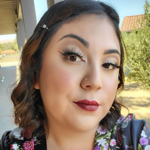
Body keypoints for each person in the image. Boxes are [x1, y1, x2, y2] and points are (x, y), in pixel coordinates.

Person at [0, 0, 150, 150]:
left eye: (109, 64)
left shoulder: (135, 139)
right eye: (73, 57)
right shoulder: (11, 146)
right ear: (35, 72)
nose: (95, 81)